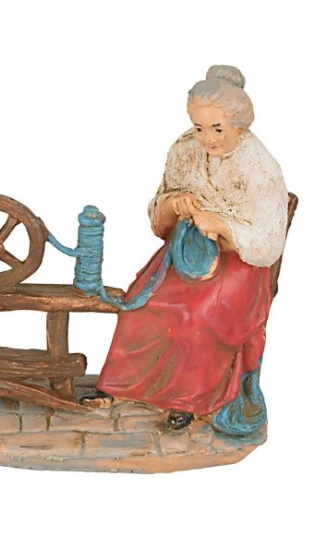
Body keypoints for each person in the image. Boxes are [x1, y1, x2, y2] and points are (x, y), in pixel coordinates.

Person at [96, 65, 288, 432]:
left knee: (196, 316)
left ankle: (188, 399)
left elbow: (268, 240)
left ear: (239, 125)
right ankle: (124, 388)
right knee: (140, 302)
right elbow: (158, 213)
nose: (207, 138)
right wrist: (175, 204)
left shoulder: (259, 165)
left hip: (240, 264)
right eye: (199, 128)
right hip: (187, 253)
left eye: (217, 128)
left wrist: (223, 226)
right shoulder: (184, 150)